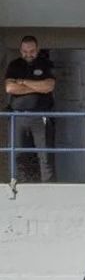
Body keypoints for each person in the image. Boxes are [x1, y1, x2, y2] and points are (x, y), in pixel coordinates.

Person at [4, 36, 57, 182]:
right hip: (18, 117)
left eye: (32, 51)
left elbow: (48, 87)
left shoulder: (46, 64)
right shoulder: (14, 65)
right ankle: (19, 188)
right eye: (25, 51)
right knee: (17, 155)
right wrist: (36, 87)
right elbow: (9, 88)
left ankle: (49, 188)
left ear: (37, 49)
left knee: (45, 156)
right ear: (21, 50)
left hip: (40, 117)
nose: (29, 54)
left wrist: (23, 82)